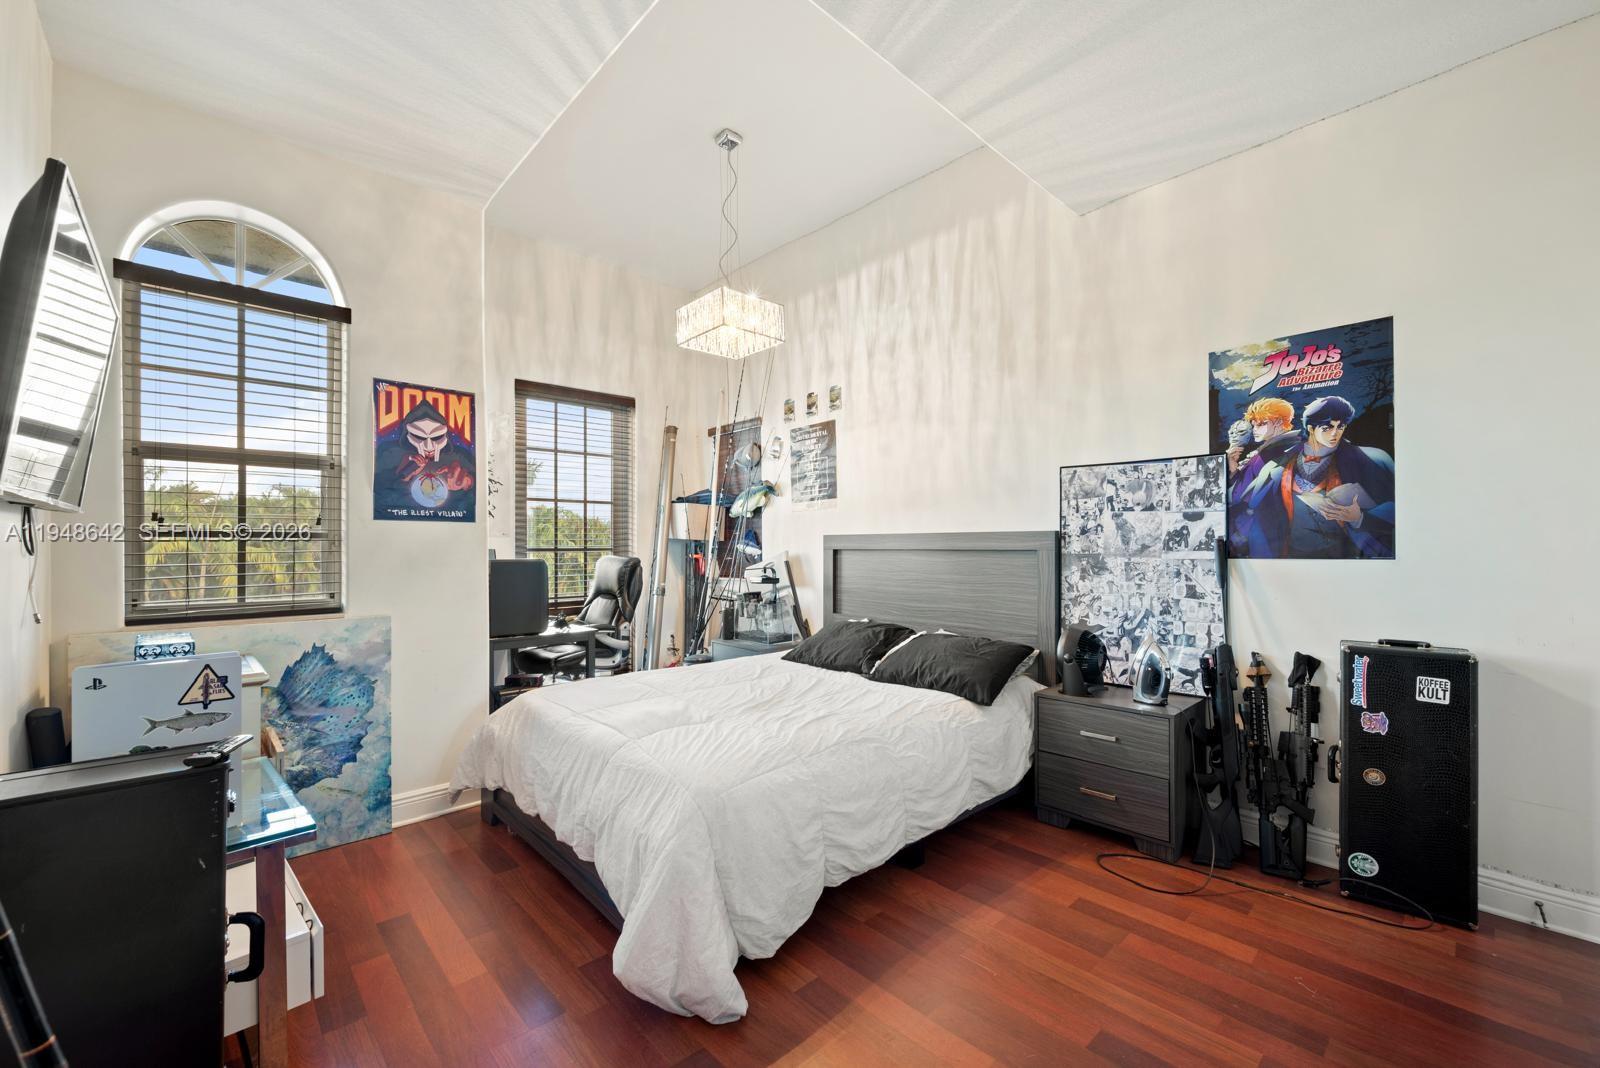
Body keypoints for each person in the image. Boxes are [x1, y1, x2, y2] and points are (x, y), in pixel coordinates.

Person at [1229, 395, 1395, 558]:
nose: (1335, 433)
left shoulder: (1368, 459)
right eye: (1327, 428)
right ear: (1310, 428)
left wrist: (1360, 518)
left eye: (1340, 427)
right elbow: (1252, 508)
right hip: (1290, 555)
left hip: (1345, 555)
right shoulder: (1276, 465)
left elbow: (1397, 507)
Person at [374, 399, 475, 516]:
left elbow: (481, 483)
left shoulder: (460, 455)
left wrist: (468, 481)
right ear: (407, 434)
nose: (429, 447)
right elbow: (374, 490)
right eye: (419, 436)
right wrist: (401, 475)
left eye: (436, 437)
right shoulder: (389, 453)